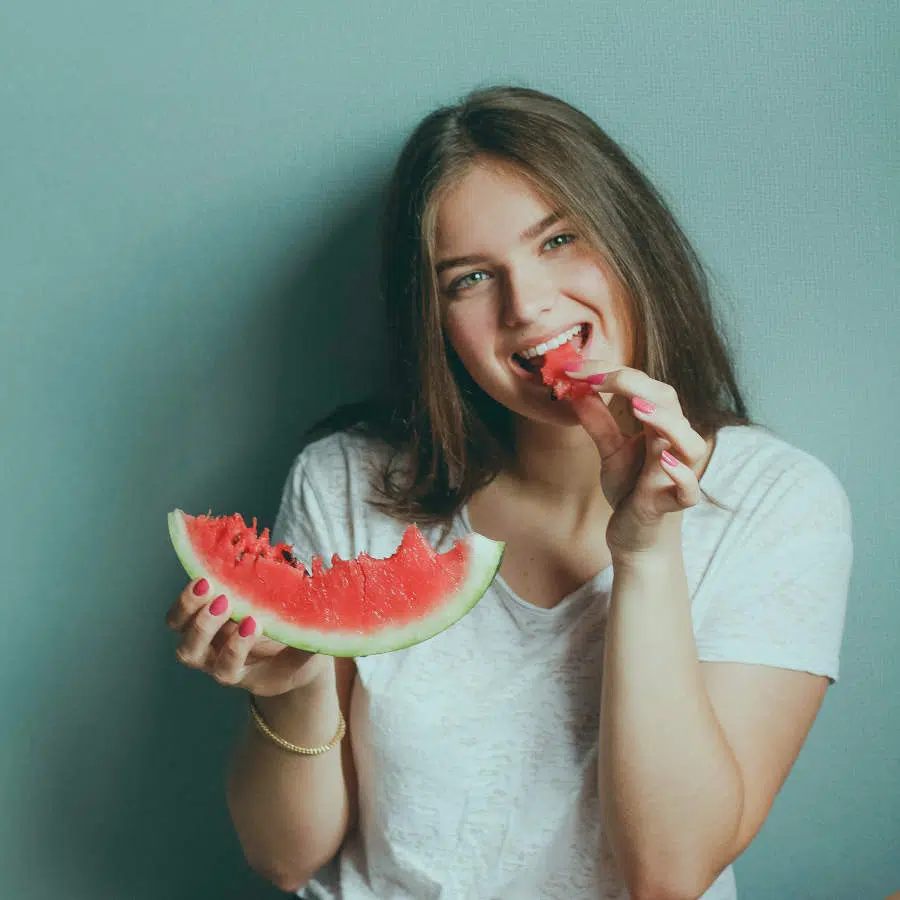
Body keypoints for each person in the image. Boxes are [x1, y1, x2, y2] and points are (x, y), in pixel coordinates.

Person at [165, 86, 853, 899]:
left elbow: (667, 874)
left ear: (633, 244)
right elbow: (283, 860)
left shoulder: (776, 502)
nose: (527, 307)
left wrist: (646, 551)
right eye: (469, 280)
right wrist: (298, 685)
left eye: (559, 240)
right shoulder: (347, 480)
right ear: (435, 317)